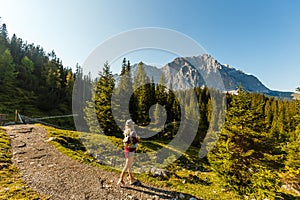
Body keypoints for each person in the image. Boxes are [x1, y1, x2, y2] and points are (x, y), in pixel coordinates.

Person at [117, 119, 140, 186]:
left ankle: (131, 178)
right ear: (131, 125)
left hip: (126, 149)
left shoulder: (126, 131)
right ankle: (121, 179)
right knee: (127, 165)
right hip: (131, 150)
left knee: (129, 165)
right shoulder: (133, 132)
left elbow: (128, 141)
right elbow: (133, 141)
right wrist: (138, 139)